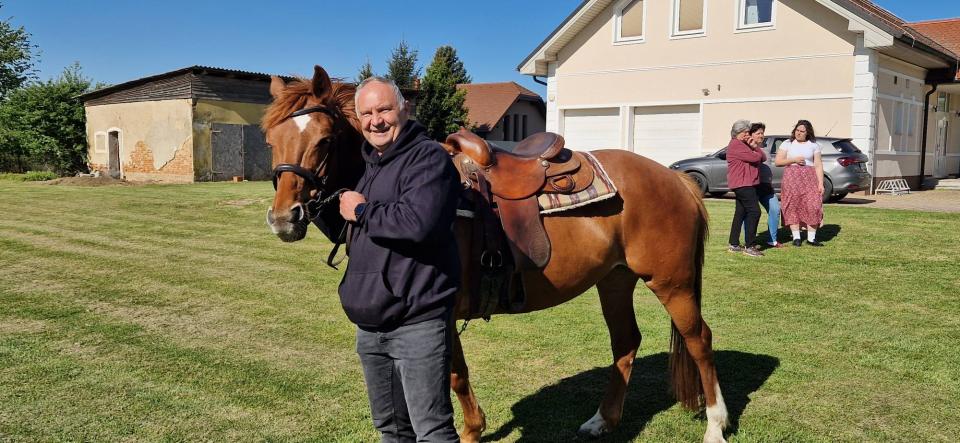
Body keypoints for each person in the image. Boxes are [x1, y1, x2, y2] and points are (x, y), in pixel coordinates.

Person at [338, 76, 462, 442]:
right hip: (370, 325)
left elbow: (419, 223)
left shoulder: (428, 158)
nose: (376, 120)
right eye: (367, 113)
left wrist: (361, 211)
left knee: (432, 431)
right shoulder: (370, 165)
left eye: (384, 109)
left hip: (417, 322)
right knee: (391, 429)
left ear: (404, 109)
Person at [775, 119, 824, 247]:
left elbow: (818, 165)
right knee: (793, 205)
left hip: (810, 179)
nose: (799, 133)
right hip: (791, 179)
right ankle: (796, 237)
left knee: (813, 205)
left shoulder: (814, 145)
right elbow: (778, 162)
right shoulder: (787, 143)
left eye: (802, 131)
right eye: (797, 130)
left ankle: (811, 238)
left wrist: (820, 183)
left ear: (808, 133)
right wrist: (793, 160)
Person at [726, 119, 765, 257]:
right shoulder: (736, 145)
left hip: (744, 183)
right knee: (755, 212)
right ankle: (750, 246)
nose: (748, 134)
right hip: (743, 183)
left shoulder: (743, 144)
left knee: (740, 213)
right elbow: (756, 159)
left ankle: (734, 244)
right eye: (746, 132)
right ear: (739, 132)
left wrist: (754, 146)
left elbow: (763, 157)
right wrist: (754, 148)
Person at [747, 122, 783, 248]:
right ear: (751, 135)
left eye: (762, 133)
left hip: (766, 187)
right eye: (758, 133)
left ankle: (772, 239)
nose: (761, 135)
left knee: (775, 209)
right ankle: (748, 240)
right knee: (750, 213)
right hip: (752, 186)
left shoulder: (766, 149)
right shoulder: (746, 149)